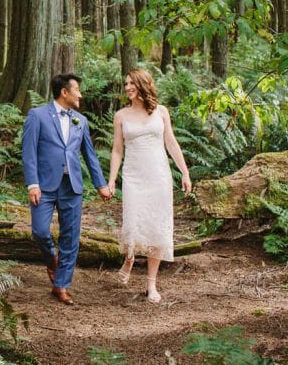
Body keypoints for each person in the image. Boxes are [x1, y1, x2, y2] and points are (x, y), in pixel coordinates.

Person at [22, 73, 112, 305]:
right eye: (77, 90)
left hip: (72, 186)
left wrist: (100, 184)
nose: (80, 94)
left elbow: (90, 156)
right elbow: (28, 152)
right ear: (64, 92)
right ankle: (52, 261)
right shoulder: (37, 115)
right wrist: (32, 183)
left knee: (70, 238)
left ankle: (61, 285)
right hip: (44, 185)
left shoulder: (80, 121)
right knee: (40, 231)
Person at [107, 68, 192, 304]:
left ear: (143, 84)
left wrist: (185, 173)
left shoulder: (161, 112)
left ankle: (151, 284)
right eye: (125, 84)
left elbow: (172, 143)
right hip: (134, 176)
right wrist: (112, 179)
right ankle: (130, 258)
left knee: (156, 226)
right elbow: (116, 150)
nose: (127, 88)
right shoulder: (121, 116)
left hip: (159, 176)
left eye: (131, 83)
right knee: (132, 221)